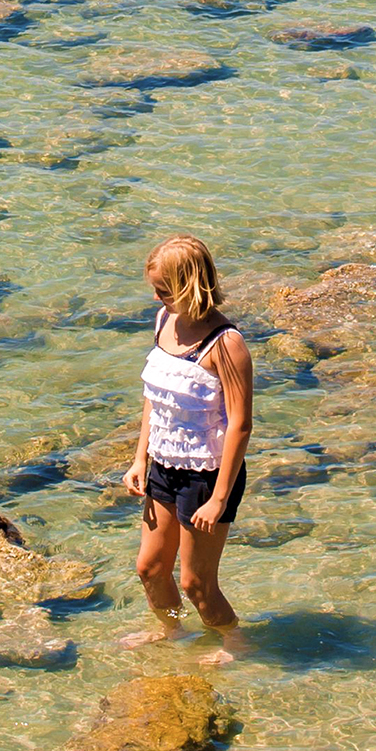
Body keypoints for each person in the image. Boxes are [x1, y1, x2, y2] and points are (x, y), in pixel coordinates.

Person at [121, 235, 254, 666]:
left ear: (192, 284)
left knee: (198, 584)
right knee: (150, 569)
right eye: (155, 289)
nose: (157, 297)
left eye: (165, 290)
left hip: (208, 474)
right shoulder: (164, 320)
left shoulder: (226, 344)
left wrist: (219, 498)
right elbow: (156, 398)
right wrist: (140, 457)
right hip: (163, 462)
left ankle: (235, 642)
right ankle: (170, 629)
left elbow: (240, 424)